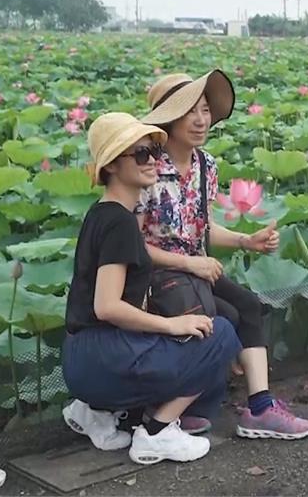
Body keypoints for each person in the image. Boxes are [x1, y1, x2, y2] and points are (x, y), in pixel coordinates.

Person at [136, 70, 308, 439]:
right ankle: (167, 408)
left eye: (205, 110)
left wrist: (247, 241)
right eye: (190, 112)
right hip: (156, 276)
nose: (201, 120)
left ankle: (260, 408)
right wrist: (187, 262)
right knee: (219, 318)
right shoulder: (146, 167)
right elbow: (129, 243)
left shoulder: (206, 166)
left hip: (196, 272)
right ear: (167, 118)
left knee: (246, 307)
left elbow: (204, 228)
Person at [61, 112, 241, 465]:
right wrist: (173, 325)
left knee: (189, 335)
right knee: (220, 335)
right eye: (141, 154)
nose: (153, 162)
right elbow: (107, 307)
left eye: (154, 153)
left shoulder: (103, 213)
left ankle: (93, 412)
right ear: (112, 166)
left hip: (79, 356)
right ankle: (157, 432)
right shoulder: (120, 224)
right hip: (102, 358)